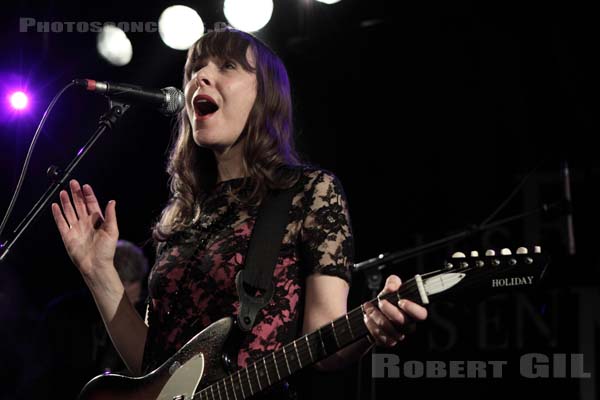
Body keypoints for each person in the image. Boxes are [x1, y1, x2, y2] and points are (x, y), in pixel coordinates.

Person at [51, 28, 427, 399]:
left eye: (227, 66)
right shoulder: (183, 212)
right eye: (195, 68)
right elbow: (153, 371)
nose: (201, 76)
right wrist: (97, 271)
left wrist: (369, 328)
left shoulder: (308, 192)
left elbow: (326, 343)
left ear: (265, 96)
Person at [22, 240, 148, 400]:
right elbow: (37, 377)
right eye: (126, 299)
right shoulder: (61, 314)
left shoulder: (144, 314)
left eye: (135, 297)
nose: (135, 303)